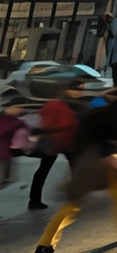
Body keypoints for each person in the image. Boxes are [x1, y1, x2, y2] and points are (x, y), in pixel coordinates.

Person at [33, 74, 117, 253]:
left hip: (97, 159)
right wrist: (107, 154)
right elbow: (97, 132)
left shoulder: (110, 104)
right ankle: (45, 244)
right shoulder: (112, 107)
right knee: (78, 203)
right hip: (95, 161)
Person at [27, 80, 87, 210]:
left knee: (75, 168)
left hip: (69, 142)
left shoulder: (79, 104)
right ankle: (34, 200)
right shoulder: (55, 104)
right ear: (66, 90)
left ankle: (75, 196)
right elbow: (45, 122)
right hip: (53, 142)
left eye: (81, 89)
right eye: (77, 89)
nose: (79, 92)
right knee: (44, 170)